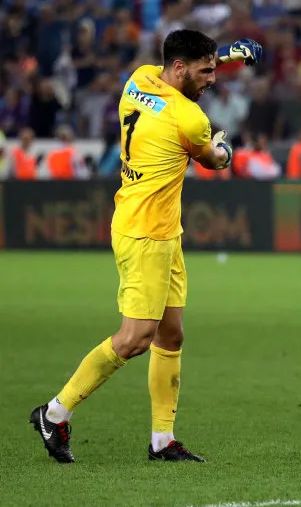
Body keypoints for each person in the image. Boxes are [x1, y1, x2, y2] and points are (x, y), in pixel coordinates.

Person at [29, 30, 263, 464]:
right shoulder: (190, 118)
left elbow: (180, 69)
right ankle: (55, 413)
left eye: (215, 67)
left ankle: (162, 441)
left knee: (171, 334)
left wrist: (228, 55)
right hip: (146, 234)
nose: (213, 78)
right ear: (180, 68)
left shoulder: (138, 79)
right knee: (135, 339)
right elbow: (213, 161)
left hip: (157, 228)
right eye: (207, 70)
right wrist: (227, 147)